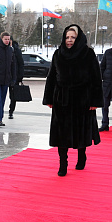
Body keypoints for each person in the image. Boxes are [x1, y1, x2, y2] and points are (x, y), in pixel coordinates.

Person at [43, 24, 102, 176]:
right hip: (61, 99)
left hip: (82, 99)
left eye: (73, 37)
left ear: (79, 38)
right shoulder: (58, 53)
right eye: (67, 37)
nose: (69, 40)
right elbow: (51, 77)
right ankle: (63, 163)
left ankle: (81, 156)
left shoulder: (88, 54)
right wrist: (49, 98)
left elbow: (96, 78)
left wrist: (95, 101)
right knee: (61, 133)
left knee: (80, 131)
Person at [7, 37, 25, 119]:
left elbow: (21, 64)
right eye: (5, 39)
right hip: (3, 76)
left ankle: (11, 111)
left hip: (14, 77)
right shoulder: (1, 49)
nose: (7, 41)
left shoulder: (16, 50)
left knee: (13, 96)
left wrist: (20, 77)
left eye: (9, 40)